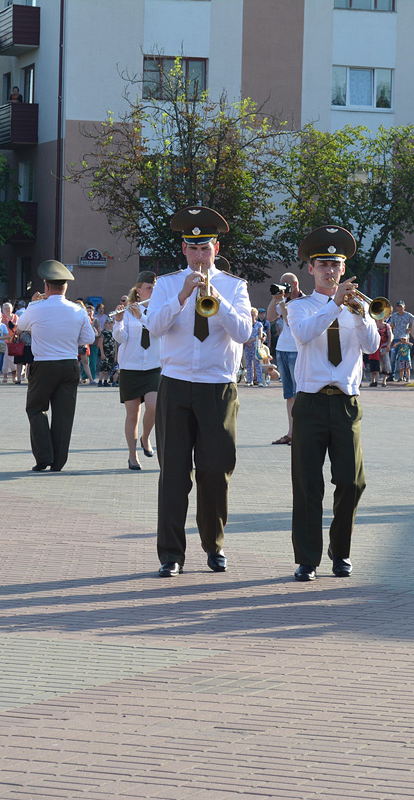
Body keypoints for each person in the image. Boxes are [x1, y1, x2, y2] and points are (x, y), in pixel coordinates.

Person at [146, 205, 252, 577]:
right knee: (173, 472)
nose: (198, 256)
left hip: (218, 388)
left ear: (216, 249)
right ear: (183, 250)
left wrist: (215, 300)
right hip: (175, 385)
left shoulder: (235, 287)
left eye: (204, 248)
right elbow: (154, 327)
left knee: (214, 471)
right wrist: (181, 298)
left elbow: (243, 332)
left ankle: (214, 546)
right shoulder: (167, 284)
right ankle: (171, 554)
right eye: (192, 249)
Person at [286, 226, 380, 581]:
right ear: (310, 269)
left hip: (346, 403)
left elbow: (371, 346)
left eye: (336, 265)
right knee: (308, 483)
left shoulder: (360, 305)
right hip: (310, 403)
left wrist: (357, 312)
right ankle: (307, 559)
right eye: (323, 264)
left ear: (343, 269)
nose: (330, 270)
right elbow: (304, 335)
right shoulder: (299, 307)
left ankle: (340, 552)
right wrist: (334, 303)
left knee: (352, 482)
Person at [16, 260, 96, 472]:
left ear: (46, 287)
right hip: (69, 364)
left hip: (43, 365)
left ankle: (44, 457)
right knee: (64, 414)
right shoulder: (77, 310)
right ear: (66, 287)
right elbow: (88, 337)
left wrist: (33, 304)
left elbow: (20, 327)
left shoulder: (35, 308)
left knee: (35, 409)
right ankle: (58, 461)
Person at [113, 271, 161, 470]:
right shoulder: (129, 311)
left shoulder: (160, 311)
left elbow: (158, 331)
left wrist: (141, 316)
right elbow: (120, 338)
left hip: (153, 367)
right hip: (131, 368)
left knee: (154, 406)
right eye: (149, 287)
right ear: (139, 291)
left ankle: (146, 437)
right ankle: (132, 456)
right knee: (132, 414)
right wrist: (118, 320)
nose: (152, 291)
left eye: (154, 288)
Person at [266, 272, 303, 445]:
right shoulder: (283, 300)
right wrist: (276, 298)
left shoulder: (303, 301)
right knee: (289, 395)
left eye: (287, 285)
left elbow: (289, 322)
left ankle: (299, 432)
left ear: (295, 284)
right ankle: (291, 433)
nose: (284, 288)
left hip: (296, 351)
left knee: (298, 394)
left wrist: (282, 302)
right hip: (282, 349)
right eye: (282, 284)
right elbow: (270, 317)